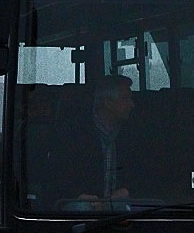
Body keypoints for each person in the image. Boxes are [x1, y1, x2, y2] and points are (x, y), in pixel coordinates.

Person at [49, 74, 137, 202]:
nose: (132, 104)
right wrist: (78, 197)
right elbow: (56, 180)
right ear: (108, 103)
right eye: (126, 99)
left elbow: (144, 176)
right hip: (81, 211)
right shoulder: (71, 134)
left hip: (122, 210)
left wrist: (127, 190)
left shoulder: (134, 134)